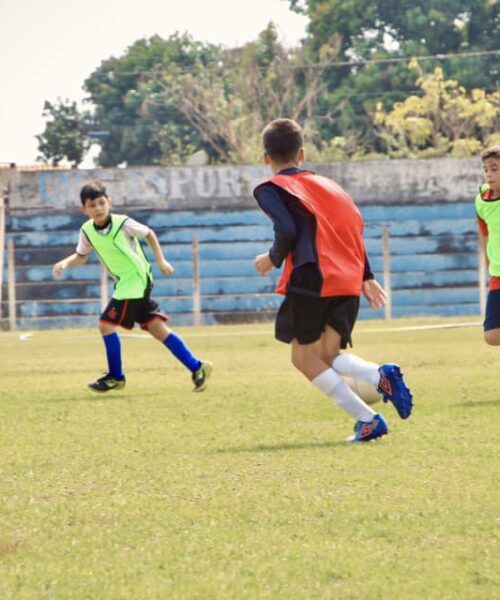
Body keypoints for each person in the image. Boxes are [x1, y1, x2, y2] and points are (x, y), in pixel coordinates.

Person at [253, 118, 412, 442]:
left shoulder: (271, 188)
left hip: (313, 279)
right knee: (327, 355)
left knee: (303, 358)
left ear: (266, 157)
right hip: (348, 279)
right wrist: (366, 276)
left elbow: (286, 230)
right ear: (302, 153)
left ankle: (369, 414)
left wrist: (272, 257)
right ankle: (377, 380)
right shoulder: (331, 186)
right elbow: (352, 226)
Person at [52, 180, 212, 393]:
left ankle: (116, 377)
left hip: (136, 280)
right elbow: (82, 256)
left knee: (105, 325)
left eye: (101, 203)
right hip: (126, 284)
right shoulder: (87, 230)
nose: (98, 208)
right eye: (92, 205)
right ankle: (197, 367)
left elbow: (149, 234)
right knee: (156, 328)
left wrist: (161, 261)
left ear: (109, 202)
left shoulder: (122, 223)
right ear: (84, 209)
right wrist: (65, 263)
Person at [475, 144, 500, 345]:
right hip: (497, 274)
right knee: (491, 336)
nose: (489, 174)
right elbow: (484, 234)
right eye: (486, 170)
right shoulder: (482, 201)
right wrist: (487, 263)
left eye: (495, 169)